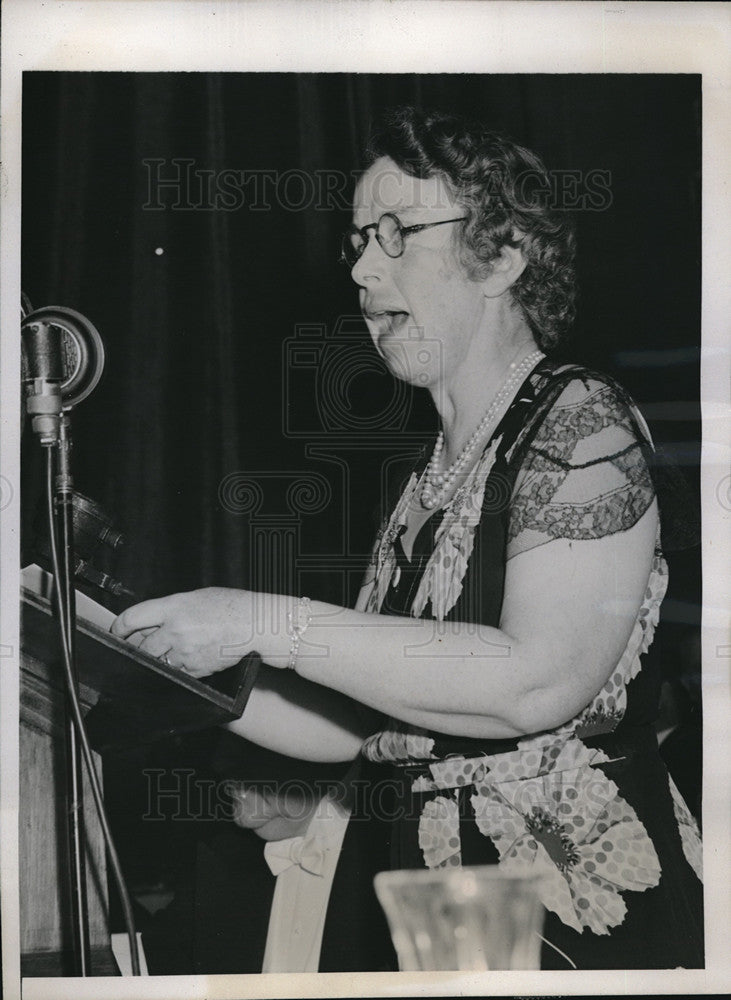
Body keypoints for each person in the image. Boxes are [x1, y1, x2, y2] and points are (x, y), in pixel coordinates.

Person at [111, 107, 704, 971]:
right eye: (357, 238)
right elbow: (360, 725)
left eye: (396, 233)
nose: (360, 267)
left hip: (578, 926)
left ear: (502, 256)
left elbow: (534, 680)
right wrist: (155, 674)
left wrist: (262, 620)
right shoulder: (428, 475)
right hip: (440, 916)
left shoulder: (580, 422)